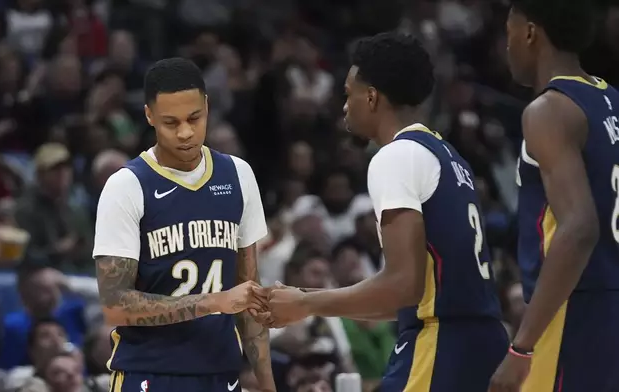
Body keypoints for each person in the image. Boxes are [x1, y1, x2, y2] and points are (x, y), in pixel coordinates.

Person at [257, 32, 508, 391]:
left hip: (441, 344)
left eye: (348, 93)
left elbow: (402, 286)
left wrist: (305, 301)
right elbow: (405, 298)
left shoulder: (396, 155)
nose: (344, 105)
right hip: (483, 342)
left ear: (371, 96)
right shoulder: (449, 156)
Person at [93, 58, 275, 392]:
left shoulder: (238, 175)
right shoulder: (127, 185)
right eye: (170, 122)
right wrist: (212, 302)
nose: (186, 132)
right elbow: (115, 306)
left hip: (222, 372)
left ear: (207, 105)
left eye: (194, 118)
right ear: (149, 115)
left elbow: (248, 296)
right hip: (149, 373)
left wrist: (267, 384)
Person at [489, 1, 619, 391]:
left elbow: (579, 228)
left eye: (509, 31)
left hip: (575, 313)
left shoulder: (548, 110)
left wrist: (521, 348)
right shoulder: (611, 100)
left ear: (529, 33)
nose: (506, 44)